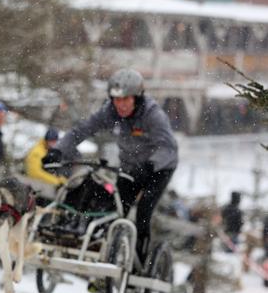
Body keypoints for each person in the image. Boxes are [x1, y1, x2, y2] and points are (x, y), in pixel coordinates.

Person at [42, 68, 178, 266]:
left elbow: (168, 148)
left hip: (159, 168)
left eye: (125, 100)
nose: (120, 105)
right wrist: (58, 151)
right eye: (116, 99)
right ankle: (113, 255)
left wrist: (151, 166)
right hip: (130, 167)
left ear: (137, 98)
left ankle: (140, 261)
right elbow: (82, 130)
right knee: (115, 208)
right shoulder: (110, 111)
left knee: (144, 209)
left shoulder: (152, 115)